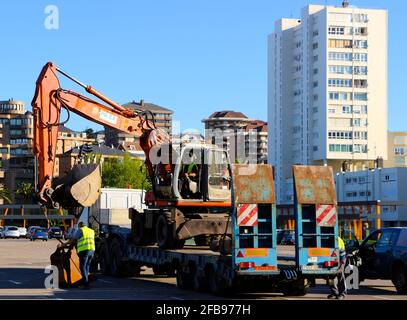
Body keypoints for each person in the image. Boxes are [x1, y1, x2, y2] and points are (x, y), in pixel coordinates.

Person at [60, 221, 95, 289]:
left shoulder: (81, 230)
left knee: (82, 267)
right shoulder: (91, 231)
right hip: (92, 250)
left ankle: (86, 284)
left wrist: (65, 244)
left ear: (80, 226)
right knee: (87, 267)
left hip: (84, 251)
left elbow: (73, 239)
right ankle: (86, 282)